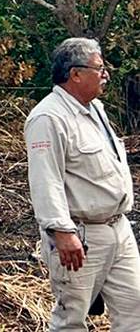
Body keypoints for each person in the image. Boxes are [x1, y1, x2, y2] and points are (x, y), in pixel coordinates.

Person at [25, 37, 140, 330]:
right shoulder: (48, 117)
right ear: (75, 74)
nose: (106, 75)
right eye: (99, 69)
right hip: (82, 236)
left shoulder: (95, 108)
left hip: (118, 228)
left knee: (135, 307)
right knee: (71, 318)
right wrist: (62, 233)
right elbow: (45, 179)